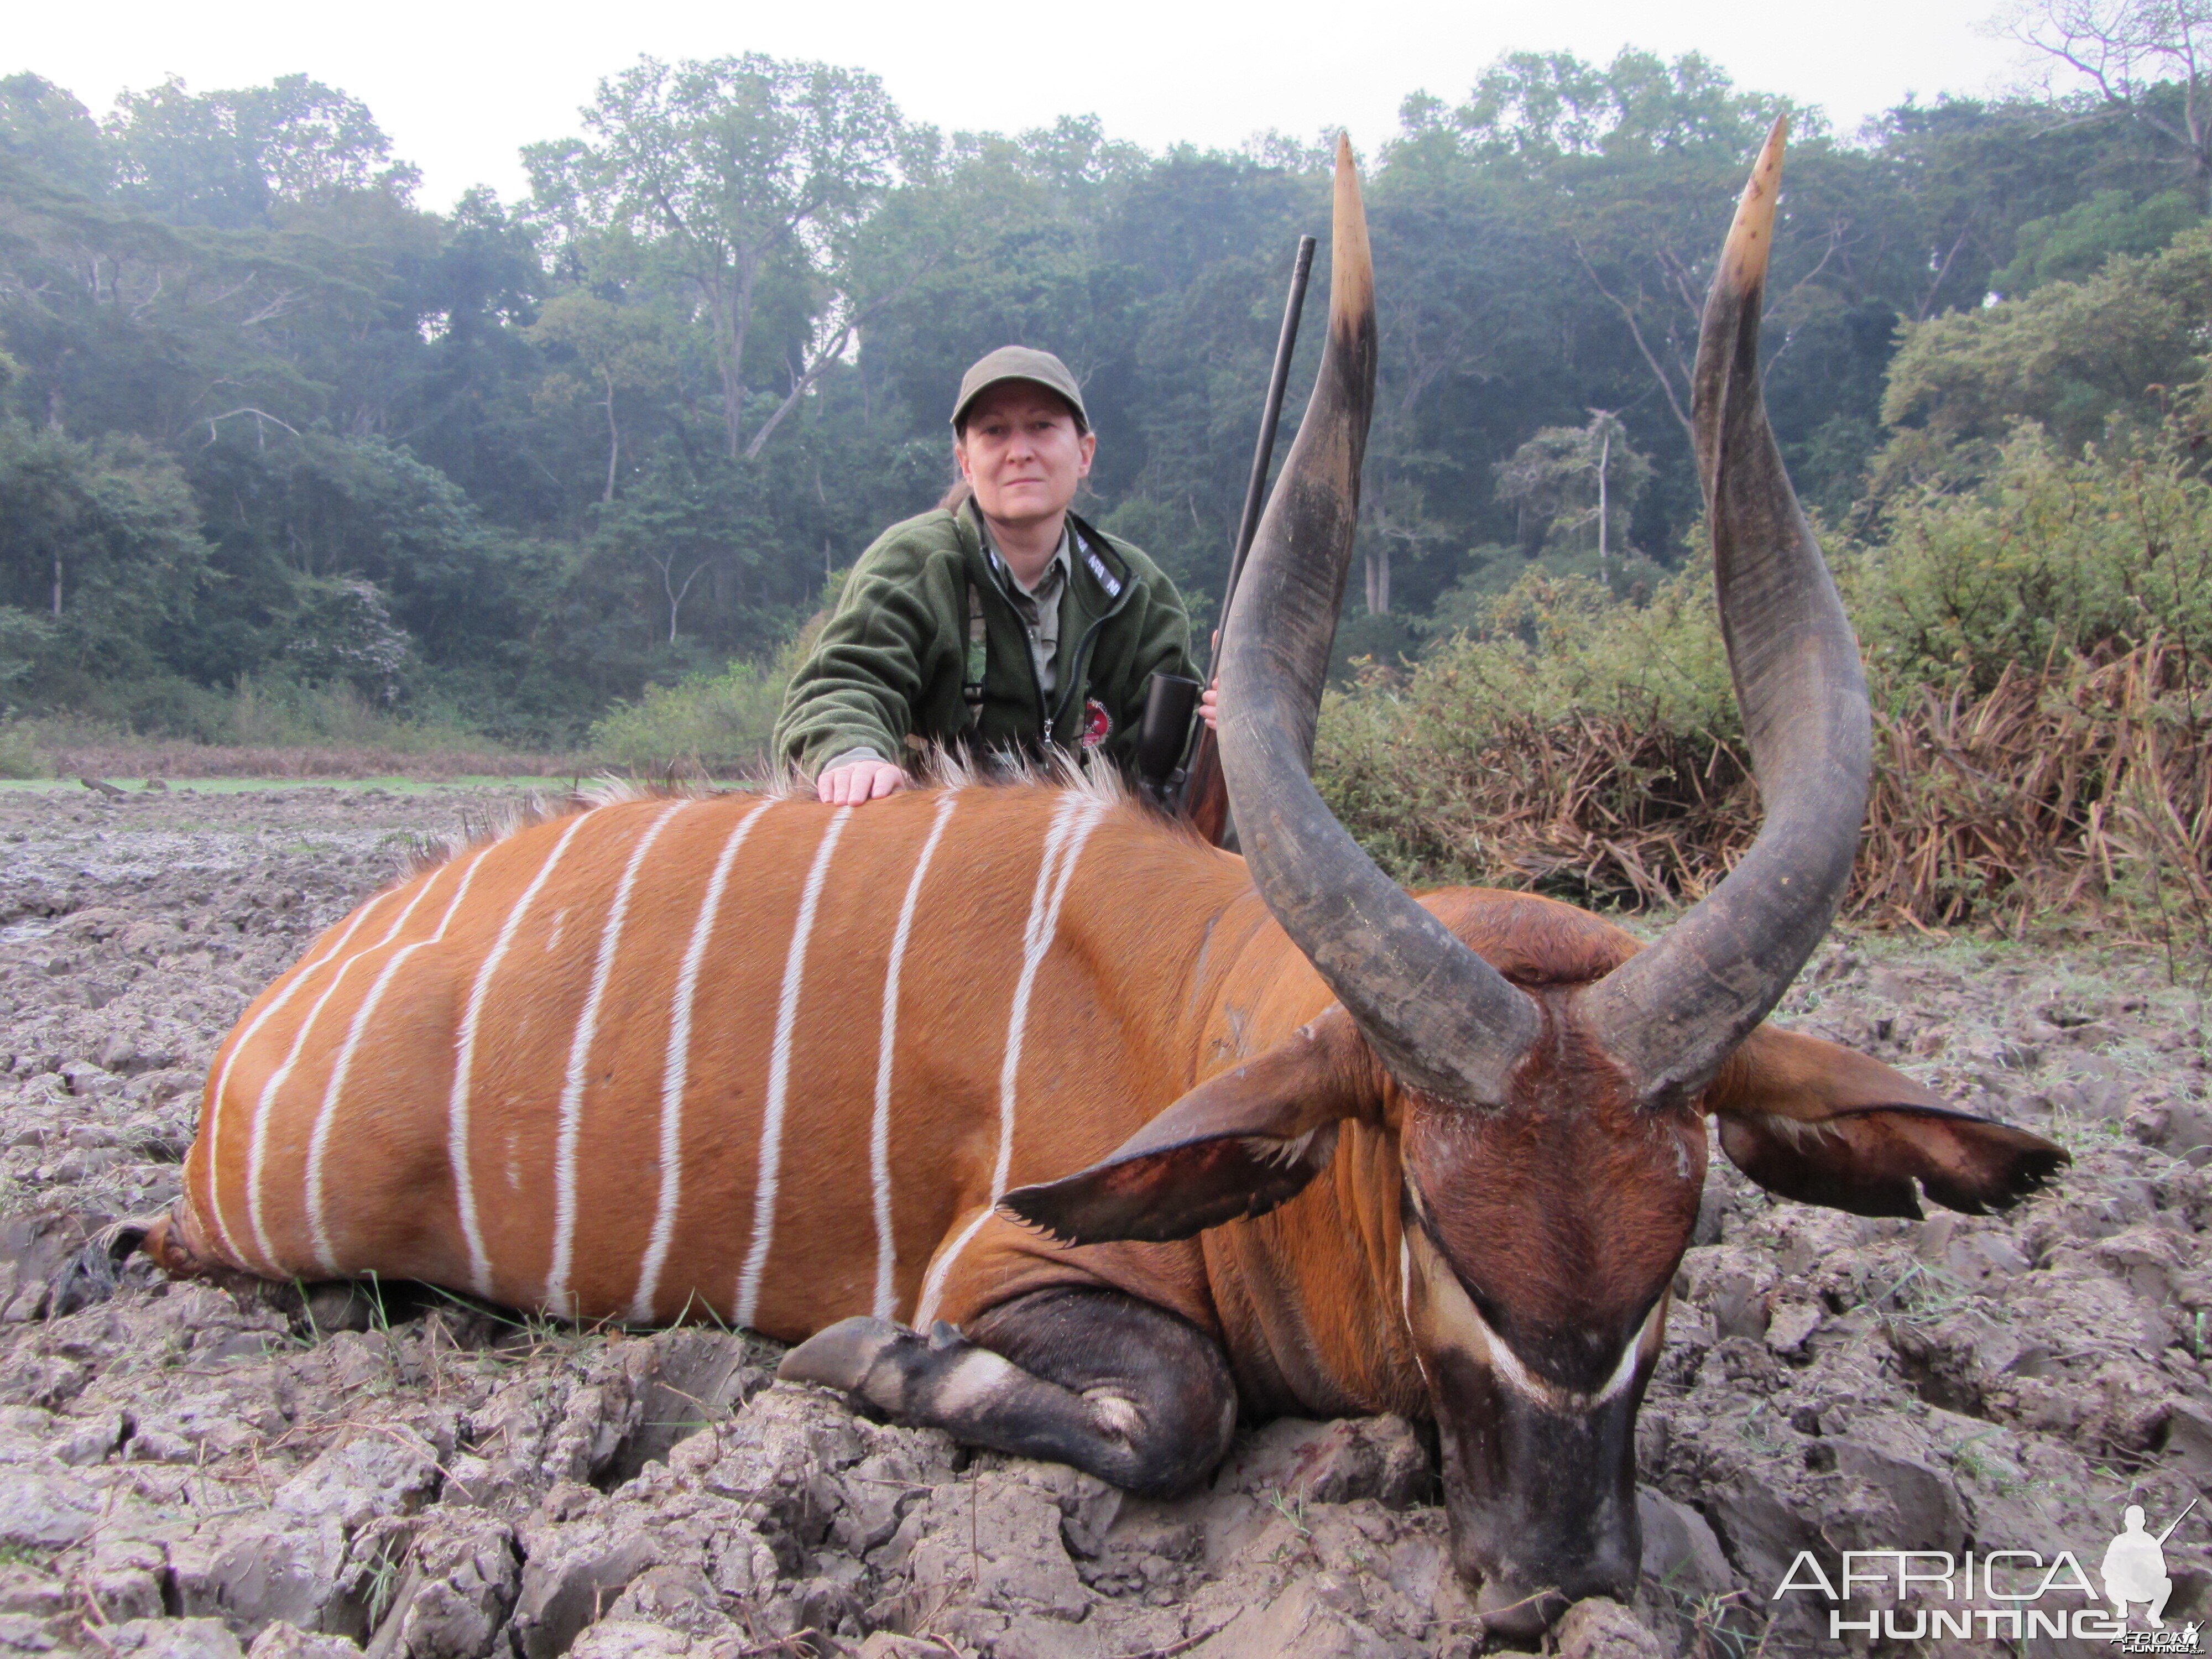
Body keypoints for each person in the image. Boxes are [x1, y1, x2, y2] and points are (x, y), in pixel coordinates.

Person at [775, 346, 1213, 804]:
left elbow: (1178, 764)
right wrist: (853, 756)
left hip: (1087, 865)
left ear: (1085, 453)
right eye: (994, 431)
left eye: (1042, 426)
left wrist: (1228, 732)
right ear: (966, 461)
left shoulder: (1136, 591)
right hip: (938, 858)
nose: (1019, 452)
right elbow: (843, 685)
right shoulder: (917, 562)